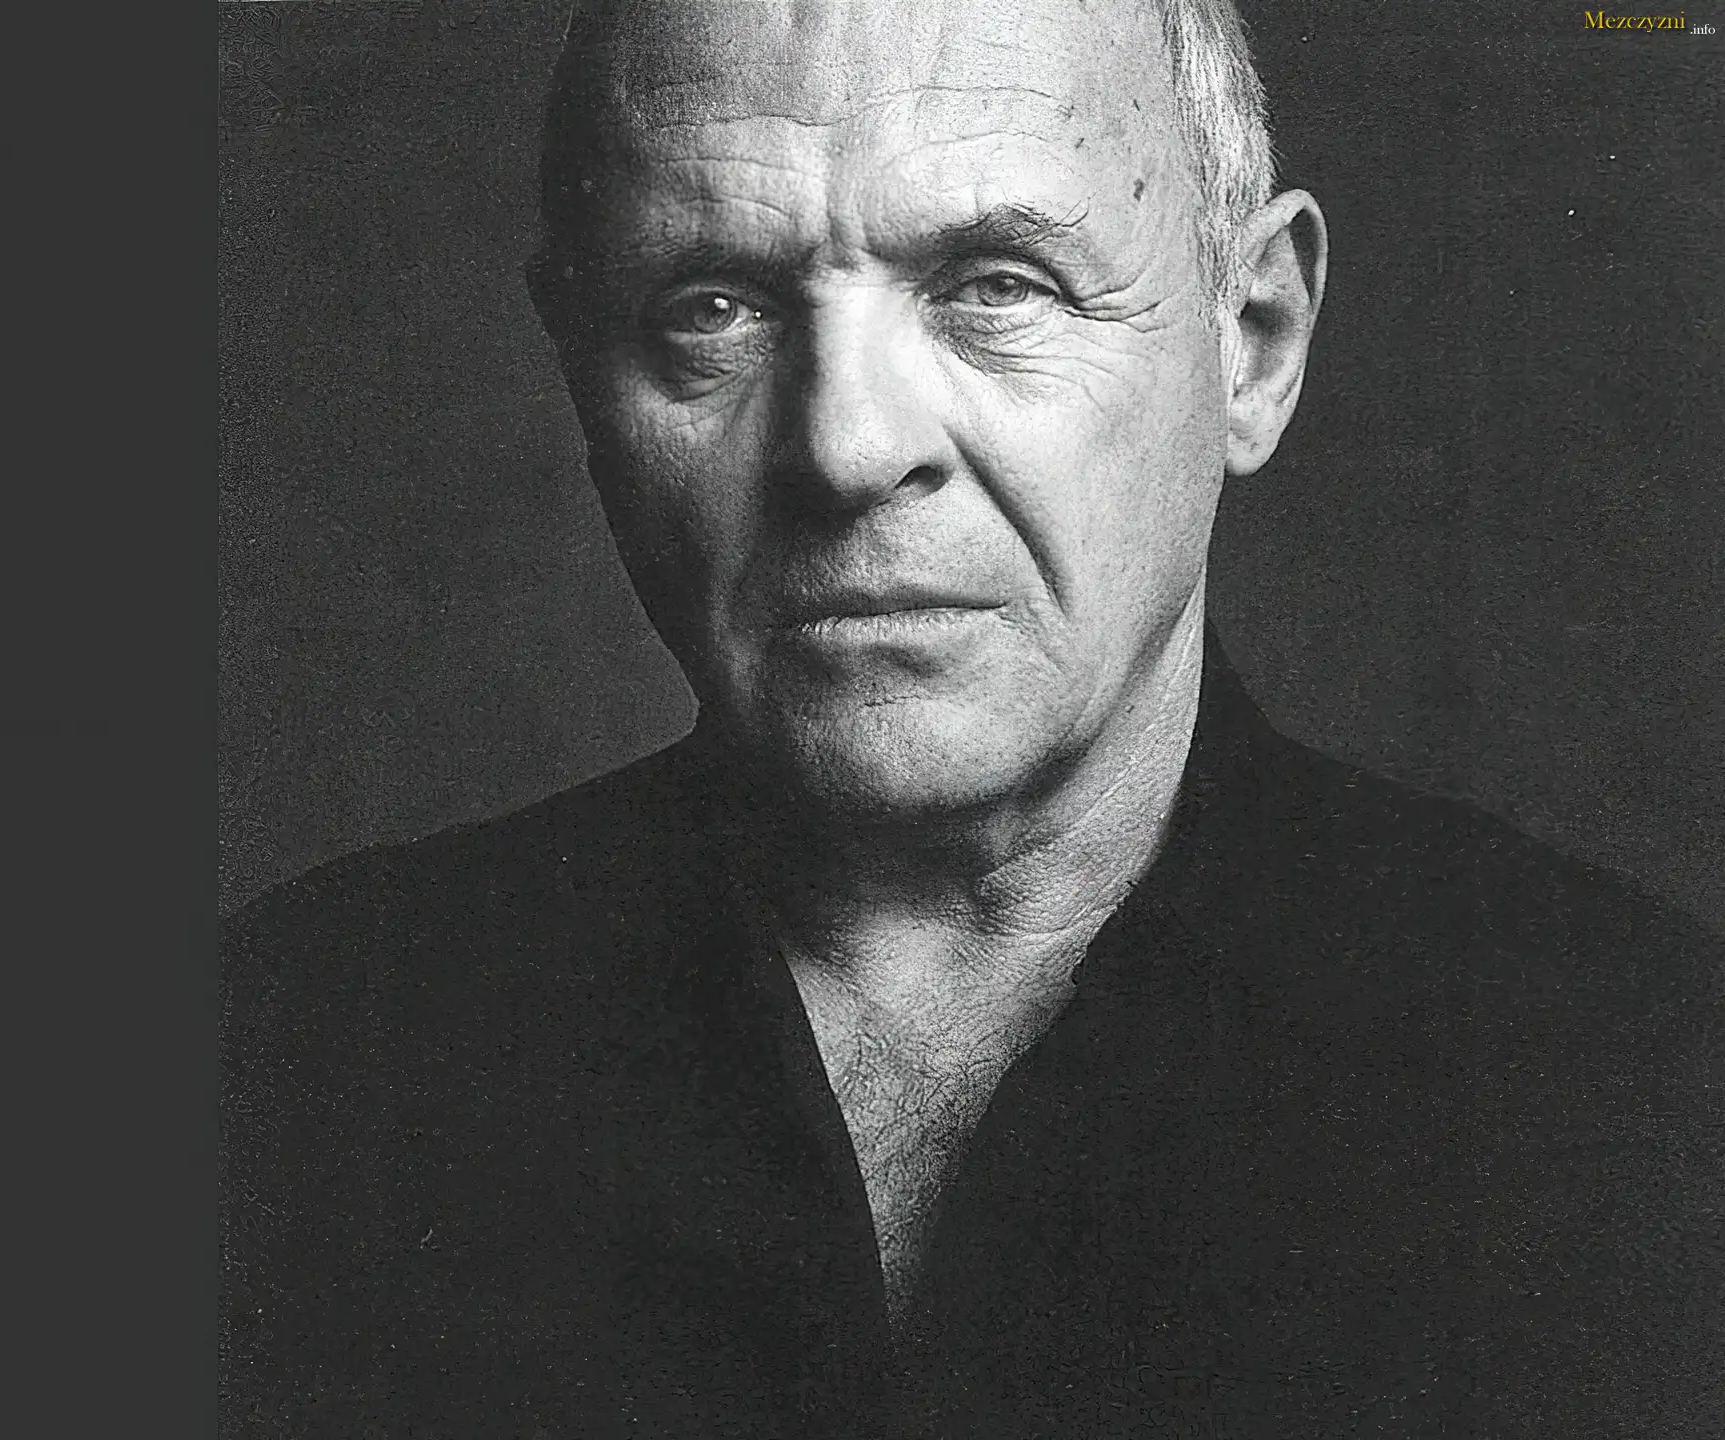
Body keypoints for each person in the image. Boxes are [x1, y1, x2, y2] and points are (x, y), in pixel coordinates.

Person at [220, 1, 1722, 1434]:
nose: (846, 445)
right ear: (579, 371)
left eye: (998, 286)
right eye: (715, 308)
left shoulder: (1648, 1089)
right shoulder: (285, 1062)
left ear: (1254, 339)